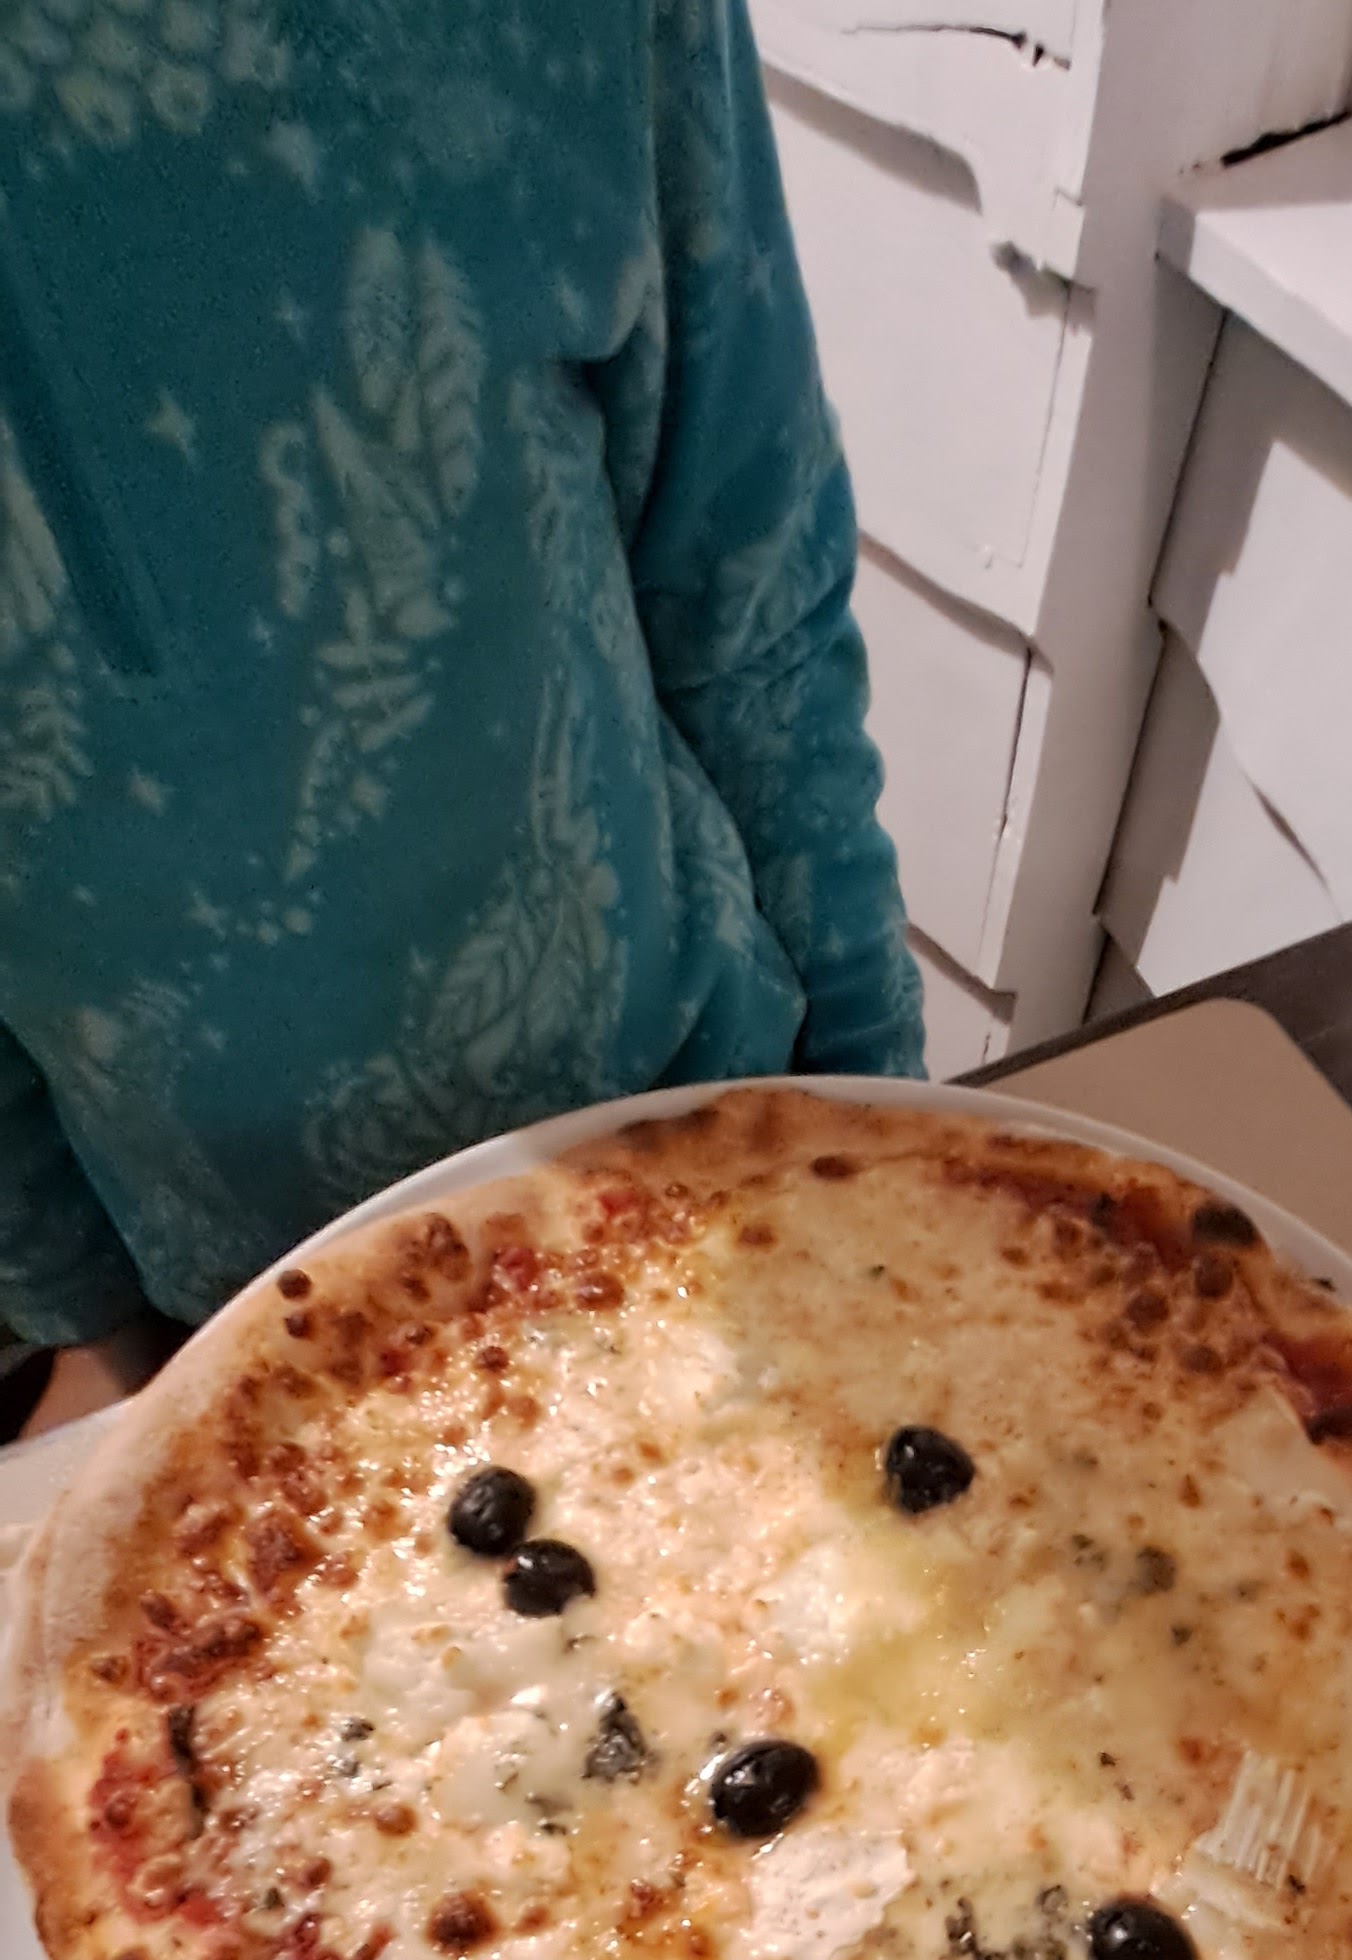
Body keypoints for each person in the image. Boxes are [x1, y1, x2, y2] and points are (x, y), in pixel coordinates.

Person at [0, 0, 923, 1433]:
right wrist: (83, 1308)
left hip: (698, 1128)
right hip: (219, 1311)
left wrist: (891, 1121)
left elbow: (751, 603)